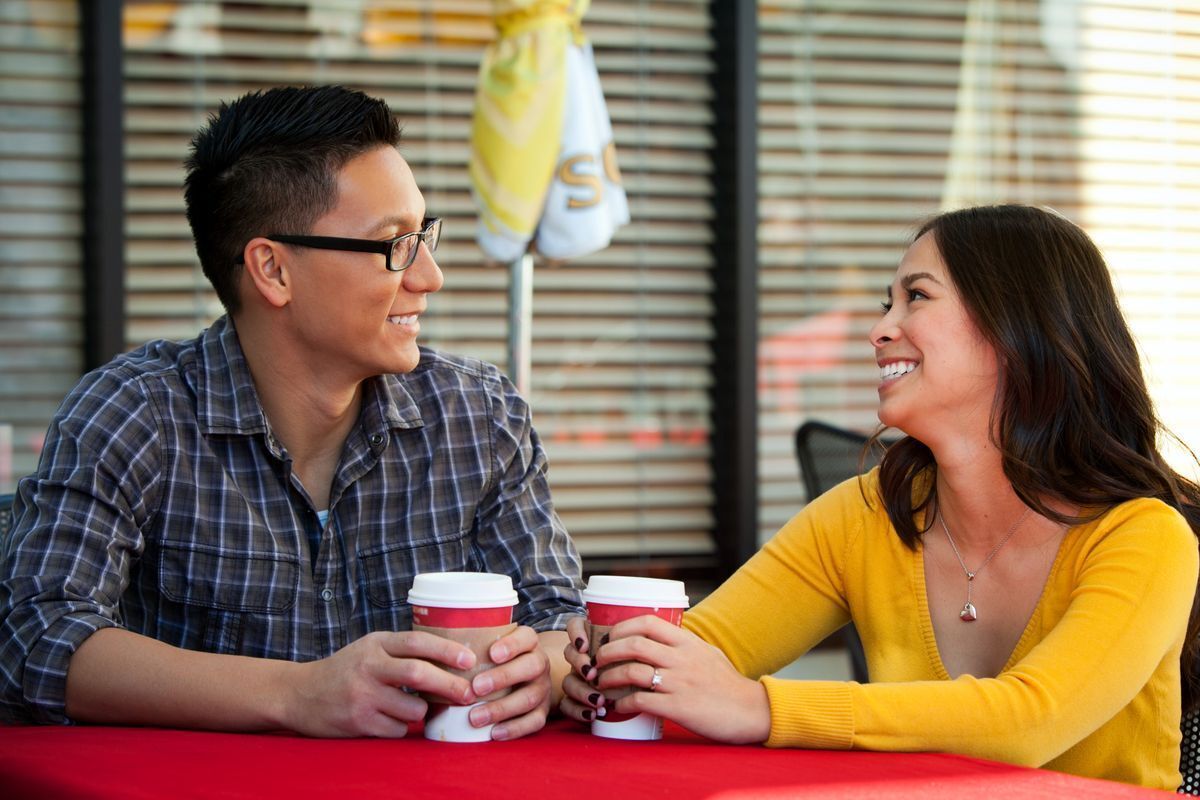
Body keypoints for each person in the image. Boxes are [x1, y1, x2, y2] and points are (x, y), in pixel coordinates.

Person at [0, 85, 585, 740]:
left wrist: (542, 671)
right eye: (395, 244)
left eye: (424, 234)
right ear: (272, 270)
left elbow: (562, 623)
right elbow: (38, 641)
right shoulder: (137, 415)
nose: (429, 276)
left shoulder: (480, 416)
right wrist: (298, 693)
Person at [561, 204, 1200, 790]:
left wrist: (757, 707)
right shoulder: (866, 514)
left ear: (1015, 326)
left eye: (914, 298)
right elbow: (702, 652)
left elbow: (1029, 722)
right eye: (885, 304)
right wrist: (598, 670)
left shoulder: (1144, 536)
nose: (878, 330)